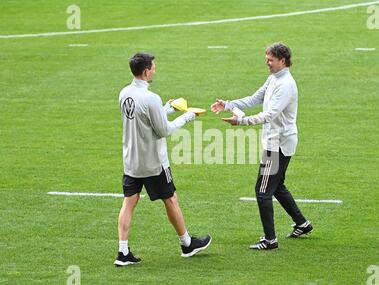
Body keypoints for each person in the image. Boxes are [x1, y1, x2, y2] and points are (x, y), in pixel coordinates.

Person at [210, 43, 313, 250]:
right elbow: (255, 98)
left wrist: (240, 122)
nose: (267, 63)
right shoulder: (274, 78)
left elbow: (269, 115)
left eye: (270, 60)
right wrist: (228, 104)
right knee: (277, 186)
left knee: (262, 190)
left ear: (282, 61)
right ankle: (302, 224)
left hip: (277, 144)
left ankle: (270, 240)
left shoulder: (286, 85)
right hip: (278, 141)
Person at [114, 52, 211, 266]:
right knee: (171, 198)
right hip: (153, 162)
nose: (155, 70)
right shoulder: (151, 98)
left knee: (129, 202)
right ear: (146, 71)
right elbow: (163, 130)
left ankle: (122, 252)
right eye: (153, 68)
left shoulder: (124, 93)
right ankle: (187, 244)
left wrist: (167, 108)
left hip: (131, 160)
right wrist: (187, 116)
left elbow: (144, 118)